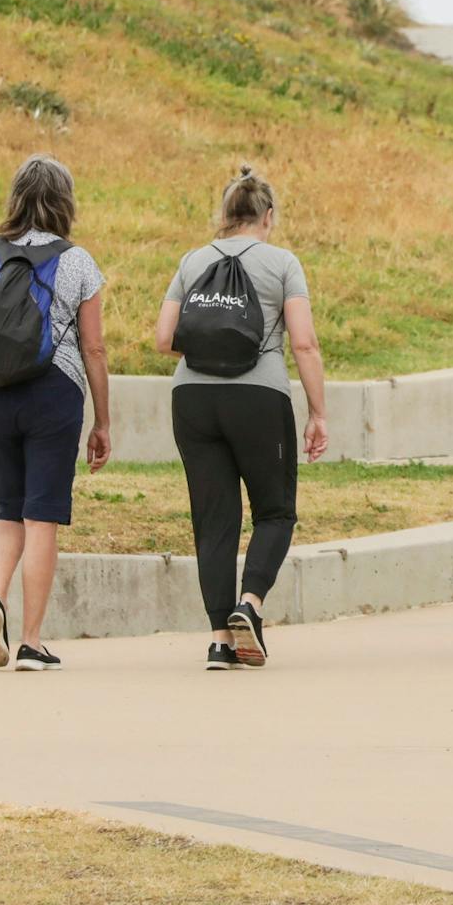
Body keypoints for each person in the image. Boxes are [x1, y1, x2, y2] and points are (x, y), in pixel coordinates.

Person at [155, 166, 328, 671]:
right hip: (259, 397)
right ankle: (248, 606)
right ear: (266, 216)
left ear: (226, 215)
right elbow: (304, 343)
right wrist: (318, 412)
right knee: (275, 511)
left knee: (214, 520)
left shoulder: (192, 261)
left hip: (191, 398)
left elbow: (164, 338)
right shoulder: (282, 263)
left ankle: (217, 642)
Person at [0, 155, 111, 671]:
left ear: (15, 197)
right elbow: (94, 350)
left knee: (7, 508)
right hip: (53, 392)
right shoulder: (77, 261)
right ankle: (31, 641)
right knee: (41, 513)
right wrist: (103, 421)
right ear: (65, 201)